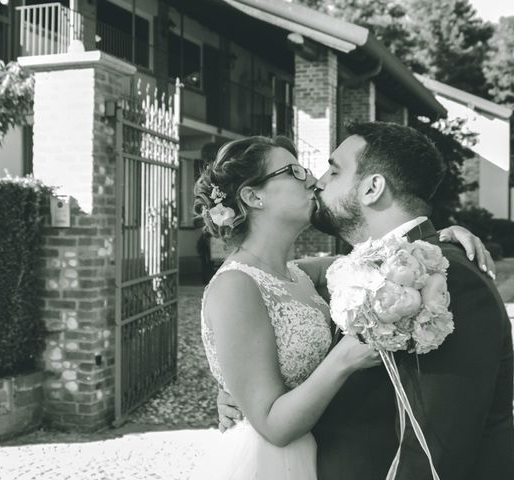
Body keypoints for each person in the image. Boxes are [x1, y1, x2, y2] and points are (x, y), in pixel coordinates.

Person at [216, 123, 514, 479]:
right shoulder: (358, 269)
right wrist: (246, 380)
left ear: (373, 188)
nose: (317, 180)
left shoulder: (445, 279)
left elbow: (434, 450)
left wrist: (441, 241)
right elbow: (266, 285)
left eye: (335, 170)